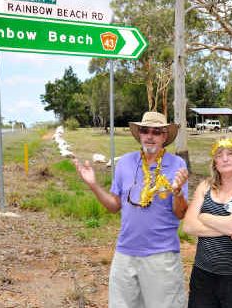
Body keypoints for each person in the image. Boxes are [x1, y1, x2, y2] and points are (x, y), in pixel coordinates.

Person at [74, 111, 189, 308]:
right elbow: (114, 206)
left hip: (161, 255)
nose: (150, 136)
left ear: (164, 137)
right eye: (145, 131)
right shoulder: (125, 163)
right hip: (125, 253)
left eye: (156, 131)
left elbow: (180, 213)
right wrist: (93, 185)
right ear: (140, 135)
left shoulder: (176, 165)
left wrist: (177, 193)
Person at [183, 138, 232, 308]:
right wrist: (228, 224)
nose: (225, 159)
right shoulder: (205, 186)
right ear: (215, 162)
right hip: (203, 273)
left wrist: (204, 217)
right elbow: (188, 226)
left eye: (230, 154)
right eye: (219, 155)